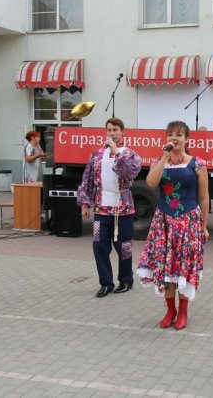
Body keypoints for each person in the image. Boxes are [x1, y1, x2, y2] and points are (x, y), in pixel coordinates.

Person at [137, 121, 210, 330]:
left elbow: (204, 198)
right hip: (164, 223)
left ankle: (183, 311)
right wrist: (164, 157)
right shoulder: (159, 162)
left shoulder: (198, 164)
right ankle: (170, 310)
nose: (174, 138)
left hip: (188, 222)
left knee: (183, 267)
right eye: (170, 134)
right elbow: (151, 183)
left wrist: (204, 226)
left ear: (187, 139)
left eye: (178, 134)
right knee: (165, 266)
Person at [77, 118, 141, 298]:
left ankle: (126, 280)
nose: (112, 133)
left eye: (115, 130)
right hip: (101, 208)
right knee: (99, 245)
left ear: (123, 132)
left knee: (124, 246)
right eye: (109, 130)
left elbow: (128, 174)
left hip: (123, 208)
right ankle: (106, 283)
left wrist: (116, 153)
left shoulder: (130, 155)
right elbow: (88, 178)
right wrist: (85, 202)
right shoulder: (97, 155)